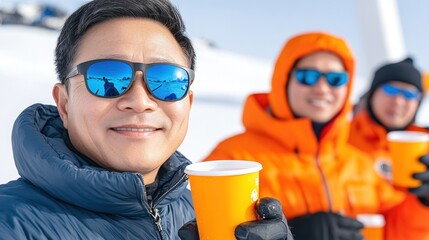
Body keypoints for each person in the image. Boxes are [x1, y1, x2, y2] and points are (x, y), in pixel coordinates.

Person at [0, 0, 292, 239]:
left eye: (167, 80)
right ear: (64, 104)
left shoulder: (200, 215)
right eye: (109, 78)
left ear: (187, 103)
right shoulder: (10, 224)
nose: (140, 101)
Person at [203, 31, 429, 240]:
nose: (322, 88)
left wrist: (424, 202)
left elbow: (397, 231)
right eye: (308, 76)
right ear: (284, 80)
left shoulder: (358, 163)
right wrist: (289, 232)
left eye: (335, 79)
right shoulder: (233, 158)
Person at [349, 57, 429, 239]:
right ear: (372, 93)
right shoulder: (340, 136)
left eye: (410, 95)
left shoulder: (425, 149)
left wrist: (425, 202)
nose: (399, 101)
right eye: (391, 90)